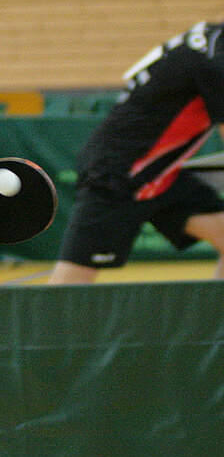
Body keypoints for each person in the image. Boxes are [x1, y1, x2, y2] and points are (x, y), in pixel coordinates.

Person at [49, 20, 224, 284]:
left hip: (160, 176)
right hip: (117, 173)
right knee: (68, 288)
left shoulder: (212, 39)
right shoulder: (217, 60)